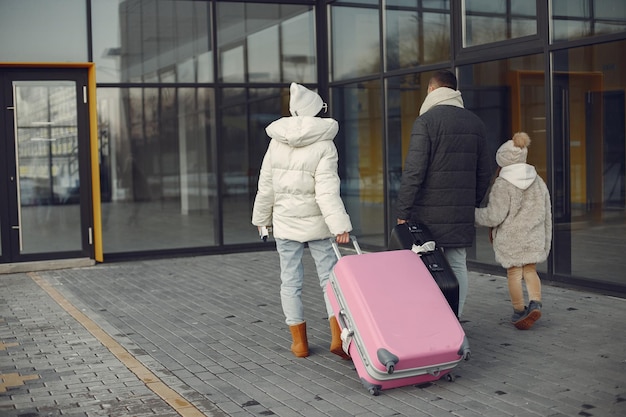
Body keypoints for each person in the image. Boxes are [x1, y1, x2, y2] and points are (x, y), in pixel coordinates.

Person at [252, 82, 353, 359]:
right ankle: (338, 337)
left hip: (285, 224)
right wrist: (340, 226)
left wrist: (262, 219)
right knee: (329, 280)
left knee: (290, 281)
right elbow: (327, 190)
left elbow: (266, 185)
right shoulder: (324, 144)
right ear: (315, 111)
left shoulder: (276, 142)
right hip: (319, 225)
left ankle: (299, 343)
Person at [395, 69, 492, 318]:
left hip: (426, 213)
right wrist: (470, 202)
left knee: (425, 265)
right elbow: (484, 172)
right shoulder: (476, 123)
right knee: (458, 263)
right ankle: (454, 319)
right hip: (460, 210)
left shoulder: (426, 122)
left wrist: (403, 210)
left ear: (431, 90)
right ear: (455, 91)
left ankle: (430, 319)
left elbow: (414, 171)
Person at [475, 132, 552, 330]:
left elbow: (494, 215)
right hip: (533, 235)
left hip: (511, 238)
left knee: (514, 273)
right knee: (530, 270)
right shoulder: (538, 181)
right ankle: (535, 302)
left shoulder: (502, 184)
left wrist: (473, 215)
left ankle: (519, 310)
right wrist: (544, 236)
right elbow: (546, 212)